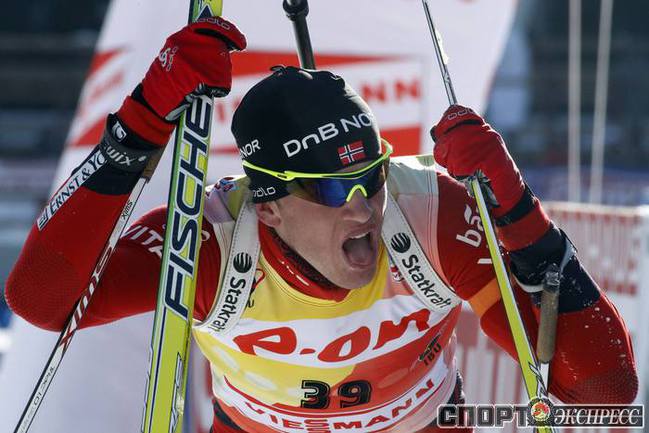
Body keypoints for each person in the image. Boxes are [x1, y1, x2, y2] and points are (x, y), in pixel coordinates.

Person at [5, 17, 638, 433]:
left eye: (372, 175)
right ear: (268, 204)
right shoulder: (214, 243)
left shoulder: (430, 214)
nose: (364, 206)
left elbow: (605, 393)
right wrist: (140, 123)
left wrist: (521, 215)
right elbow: (39, 300)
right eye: (333, 189)